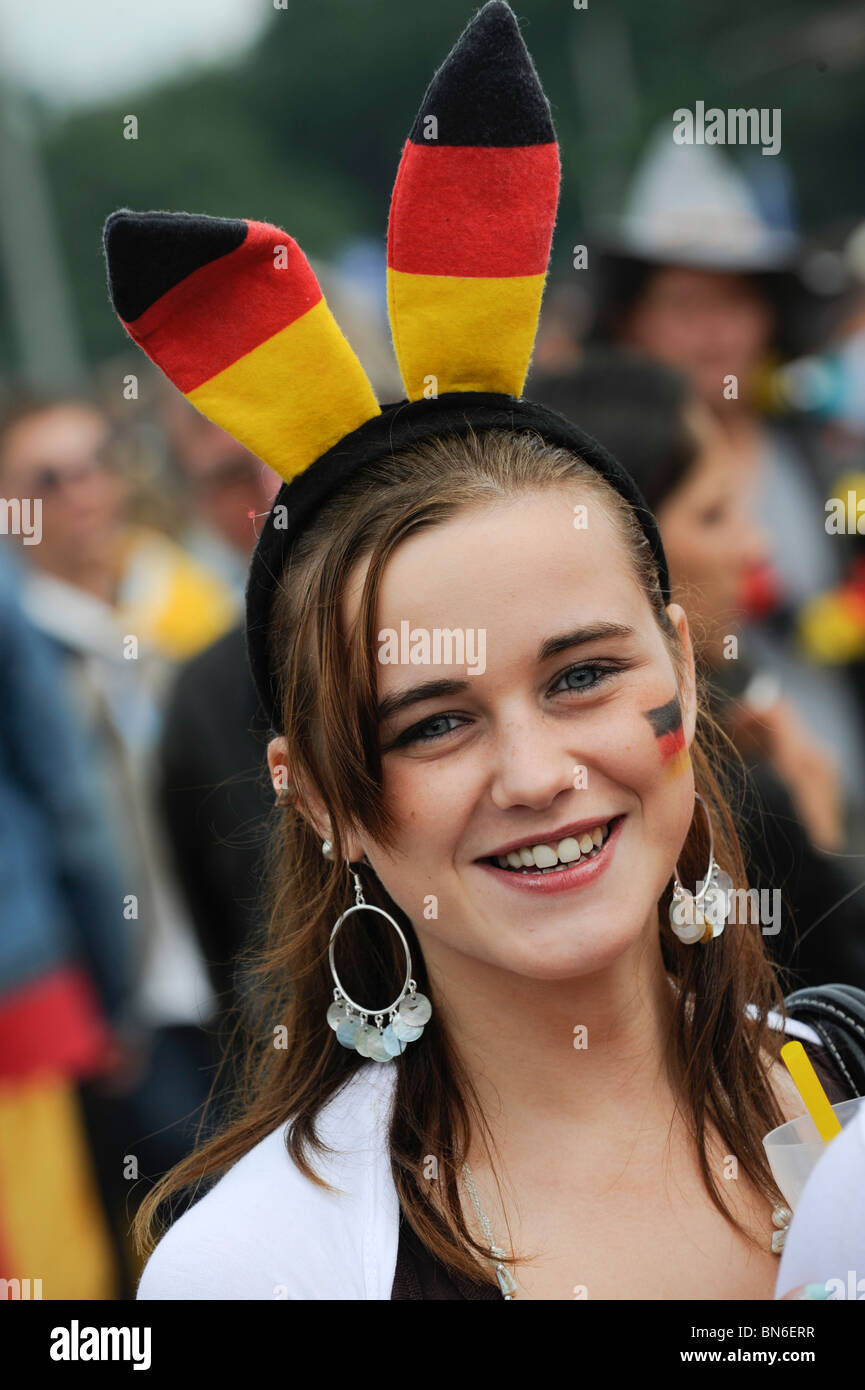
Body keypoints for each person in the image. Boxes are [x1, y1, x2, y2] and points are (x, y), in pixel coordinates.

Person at [102, 2, 855, 1301]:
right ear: (323, 792)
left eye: (581, 675)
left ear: (680, 661)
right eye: (432, 720)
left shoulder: (844, 1091)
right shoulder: (258, 1269)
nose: (537, 769)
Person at [530, 355, 865, 992]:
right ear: (623, 547)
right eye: (713, 516)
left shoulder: (741, 733)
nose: (755, 548)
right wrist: (810, 847)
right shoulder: (723, 796)